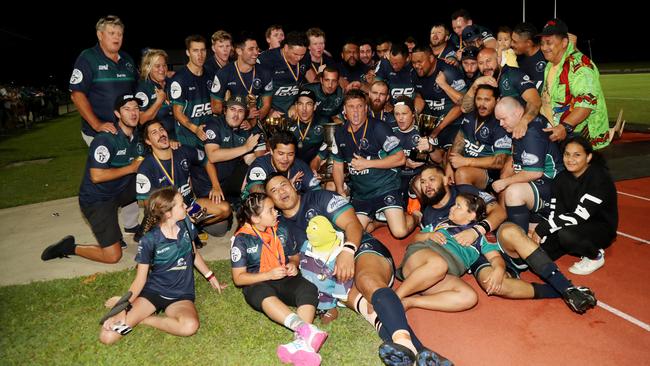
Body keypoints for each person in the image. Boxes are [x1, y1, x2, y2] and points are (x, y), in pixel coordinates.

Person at [264, 174, 447, 366]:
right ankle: (420, 355)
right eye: (274, 191)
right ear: (271, 201)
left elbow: (352, 223)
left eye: (283, 185)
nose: (281, 191)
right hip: (333, 277)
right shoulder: (280, 228)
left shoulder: (319, 198)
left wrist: (348, 250)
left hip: (359, 250)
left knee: (368, 281)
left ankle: (405, 345)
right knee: (372, 312)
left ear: (293, 186)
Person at [98, 188, 226, 345]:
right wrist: (121, 309)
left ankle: (145, 319)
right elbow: (140, 280)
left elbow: (193, 254)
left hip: (181, 296)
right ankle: (133, 311)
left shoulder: (186, 223)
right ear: (168, 213)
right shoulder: (149, 240)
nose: (186, 206)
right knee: (107, 336)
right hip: (153, 293)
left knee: (189, 326)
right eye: (181, 205)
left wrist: (210, 276)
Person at [41, 95, 144, 264]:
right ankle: (69, 248)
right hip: (98, 200)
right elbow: (97, 176)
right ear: (117, 114)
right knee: (113, 256)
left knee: (159, 188)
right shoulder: (105, 139)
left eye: (136, 108)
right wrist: (131, 168)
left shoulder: (136, 136)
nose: (133, 113)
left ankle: (144, 232)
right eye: (127, 109)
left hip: (119, 191)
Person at [231, 193, 327, 366]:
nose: (276, 213)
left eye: (274, 209)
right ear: (255, 218)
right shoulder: (241, 239)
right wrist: (268, 275)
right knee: (262, 293)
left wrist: (293, 264)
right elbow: (238, 279)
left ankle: (301, 344)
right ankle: (302, 328)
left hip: (283, 277)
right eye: (270, 211)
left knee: (308, 289)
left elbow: (295, 256)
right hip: (257, 282)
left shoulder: (281, 229)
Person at [332, 90, 417, 239]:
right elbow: (338, 165)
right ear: (344, 111)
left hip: (385, 187)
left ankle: (416, 215)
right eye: (351, 107)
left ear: (366, 108)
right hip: (361, 193)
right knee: (352, 234)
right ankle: (380, 222)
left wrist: (367, 163)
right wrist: (340, 191)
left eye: (359, 106)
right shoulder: (340, 133)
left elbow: (400, 159)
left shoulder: (378, 127)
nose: (356, 111)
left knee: (399, 232)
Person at [397, 193, 499, 312]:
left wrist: (499, 270)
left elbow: (495, 258)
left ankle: (410, 302)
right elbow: (416, 238)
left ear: (472, 215)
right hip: (419, 260)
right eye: (454, 204)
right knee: (438, 265)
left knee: (469, 297)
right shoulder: (441, 223)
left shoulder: (481, 237)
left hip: (437, 278)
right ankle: (395, 297)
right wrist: (429, 235)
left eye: (458, 206)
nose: (452, 208)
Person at [534, 135, 618, 274]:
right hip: (571, 224)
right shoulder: (560, 179)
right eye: (567, 154)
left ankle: (595, 255)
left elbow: (581, 215)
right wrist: (546, 235)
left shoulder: (599, 178)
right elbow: (556, 213)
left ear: (588, 157)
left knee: (567, 235)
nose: (570, 159)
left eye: (577, 155)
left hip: (599, 227)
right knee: (539, 254)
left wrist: (545, 227)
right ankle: (569, 245)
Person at [135, 120, 231, 229]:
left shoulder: (181, 150)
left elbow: (206, 161)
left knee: (225, 210)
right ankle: (183, 227)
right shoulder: (146, 167)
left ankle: (193, 226)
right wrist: (171, 215)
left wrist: (216, 186)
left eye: (161, 129)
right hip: (169, 213)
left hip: (190, 205)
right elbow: (149, 205)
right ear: (148, 141)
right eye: (154, 132)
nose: (161, 134)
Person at [492, 97, 563, 233]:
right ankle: (526, 229)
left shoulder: (530, 133)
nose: (501, 124)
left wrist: (505, 182)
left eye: (504, 119)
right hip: (542, 183)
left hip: (552, 185)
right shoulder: (522, 126)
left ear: (518, 113)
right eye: (498, 120)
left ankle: (518, 241)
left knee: (514, 192)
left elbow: (535, 173)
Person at [538, 19, 610, 150]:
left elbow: (586, 103)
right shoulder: (550, 64)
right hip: (556, 132)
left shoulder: (579, 66)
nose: (544, 47)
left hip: (577, 136)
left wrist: (564, 126)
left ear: (564, 42)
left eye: (549, 43)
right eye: (542, 43)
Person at [69, 15, 137, 145]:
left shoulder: (127, 59)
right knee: (107, 166)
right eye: (112, 33)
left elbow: (139, 85)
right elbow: (76, 95)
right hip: (100, 134)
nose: (117, 37)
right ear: (100, 35)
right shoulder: (88, 58)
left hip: (127, 132)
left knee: (132, 165)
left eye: (120, 34)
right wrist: (96, 124)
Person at [461, 47, 540, 139]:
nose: (485, 66)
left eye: (488, 61)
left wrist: (523, 122)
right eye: (481, 63)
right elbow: (465, 109)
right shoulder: (482, 80)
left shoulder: (513, 74)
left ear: (499, 59)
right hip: (499, 132)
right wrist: (475, 85)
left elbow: (535, 101)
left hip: (524, 130)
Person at [203, 95, 266, 208]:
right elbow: (212, 156)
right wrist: (246, 148)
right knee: (224, 212)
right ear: (225, 111)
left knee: (258, 181)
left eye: (240, 111)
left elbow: (251, 159)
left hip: (230, 181)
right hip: (208, 184)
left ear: (245, 115)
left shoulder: (244, 129)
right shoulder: (213, 124)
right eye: (232, 109)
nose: (236, 115)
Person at [446, 85, 511, 189]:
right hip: (463, 162)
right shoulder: (470, 115)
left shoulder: (501, 123)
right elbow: (459, 140)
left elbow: (500, 161)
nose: (482, 104)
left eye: (487, 100)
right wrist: (449, 167)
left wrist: (466, 162)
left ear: (497, 100)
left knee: (462, 173)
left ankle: (469, 204)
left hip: (487, 171)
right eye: (479, 99)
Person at [410, 44, 467, 162]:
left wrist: (438, 129)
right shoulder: (415, 73)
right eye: (414, 62)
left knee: (447, 159)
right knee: (417, 157)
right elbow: (419, 96)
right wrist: (415, 112)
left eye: (420, 62)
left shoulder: (449, 71)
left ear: (431, 58)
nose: (416, 66)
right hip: (430, 120)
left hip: (453, 123)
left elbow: (463, 103)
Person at [298, 215, 354, 324]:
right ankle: (310, 307)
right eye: (309, 226)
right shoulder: (306, 245)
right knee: (306, 297)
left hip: (327, 292)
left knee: (326, 298)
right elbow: (302, 258)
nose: (308, 230)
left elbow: (344, 276)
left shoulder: (338, 253)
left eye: (314, 228)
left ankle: (328, 308)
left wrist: (340, 294)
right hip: (307, 287)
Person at [210, 32, 273, 122]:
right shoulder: (224, 73)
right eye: (251, 49)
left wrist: (253, 121)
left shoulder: (264, 72)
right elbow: (215, 108)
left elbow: (266, 105)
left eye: (256, 49)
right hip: (230, 125)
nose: (256, 53)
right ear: (239, 51)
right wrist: (244, 115)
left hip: (255, 123)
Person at [243, 130, 320, 197]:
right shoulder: (260, 165)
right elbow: (258, 194)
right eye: (281, 153)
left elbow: (318, 193)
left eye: (290, 154)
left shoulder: (300, 166)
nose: (285, 159)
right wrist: (287, 187)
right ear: (271, 151)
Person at [258, 31, 314, 117]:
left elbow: (313, 82)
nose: (298, 58)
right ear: (286, 47)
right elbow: (256, 88)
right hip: (272, 111)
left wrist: (297, 105)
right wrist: (268, 111)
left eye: (302, 54)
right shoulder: (267, 59)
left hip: (293, 109)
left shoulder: (306, 57)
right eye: (295, 54)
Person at [135, 49, 175, 139]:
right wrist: (158, 102)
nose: (162, 69)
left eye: (164, 65)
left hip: (179, 135)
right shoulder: (143, 88)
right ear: (148, 68)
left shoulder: (171, 82)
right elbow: (141, 120)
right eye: (157, 66)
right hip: (160, 139)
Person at [511, 22, 547, 93]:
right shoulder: (514, 58)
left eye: (515, 42)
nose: (511, 44)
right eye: (512, 40)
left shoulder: (546, 55)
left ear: (528, 43)